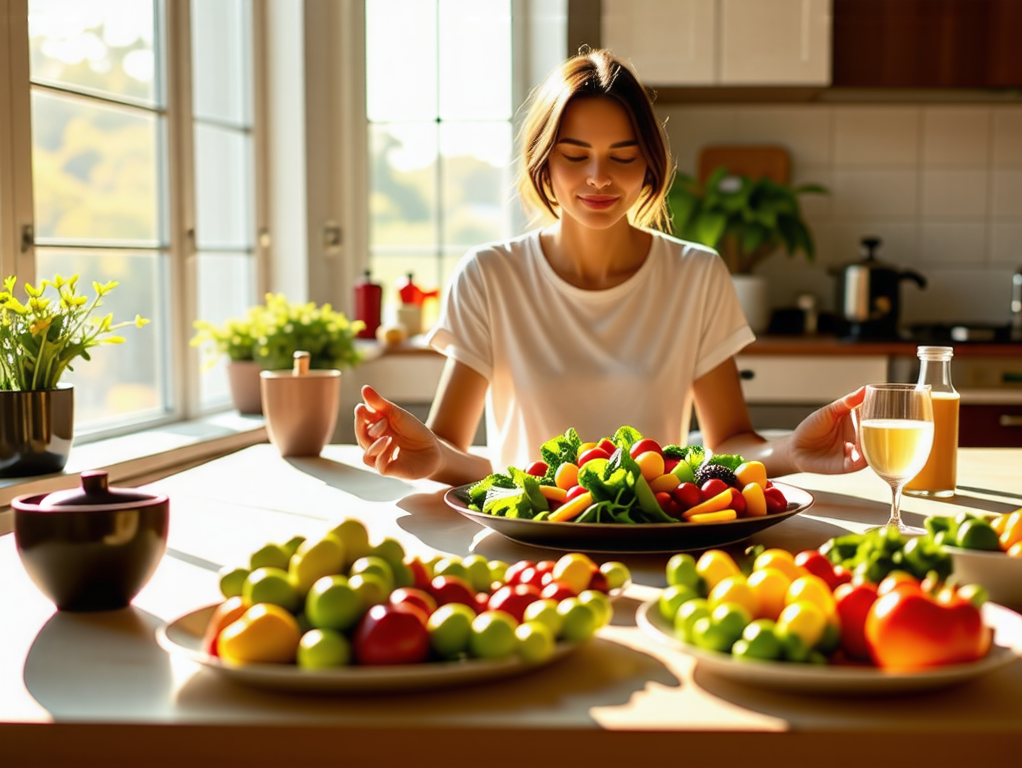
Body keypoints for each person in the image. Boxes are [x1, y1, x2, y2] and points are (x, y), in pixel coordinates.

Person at [355, 48, 867, 487]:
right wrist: (433, 456)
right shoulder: (489, 275)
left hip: (654, 539)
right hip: (525, 544)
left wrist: (789, 453)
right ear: (544, 164)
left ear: (649, 165)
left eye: (622, 157)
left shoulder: (696, 274)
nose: (598, 178)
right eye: (576, 156)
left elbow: (731, 443)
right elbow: (449, 447)